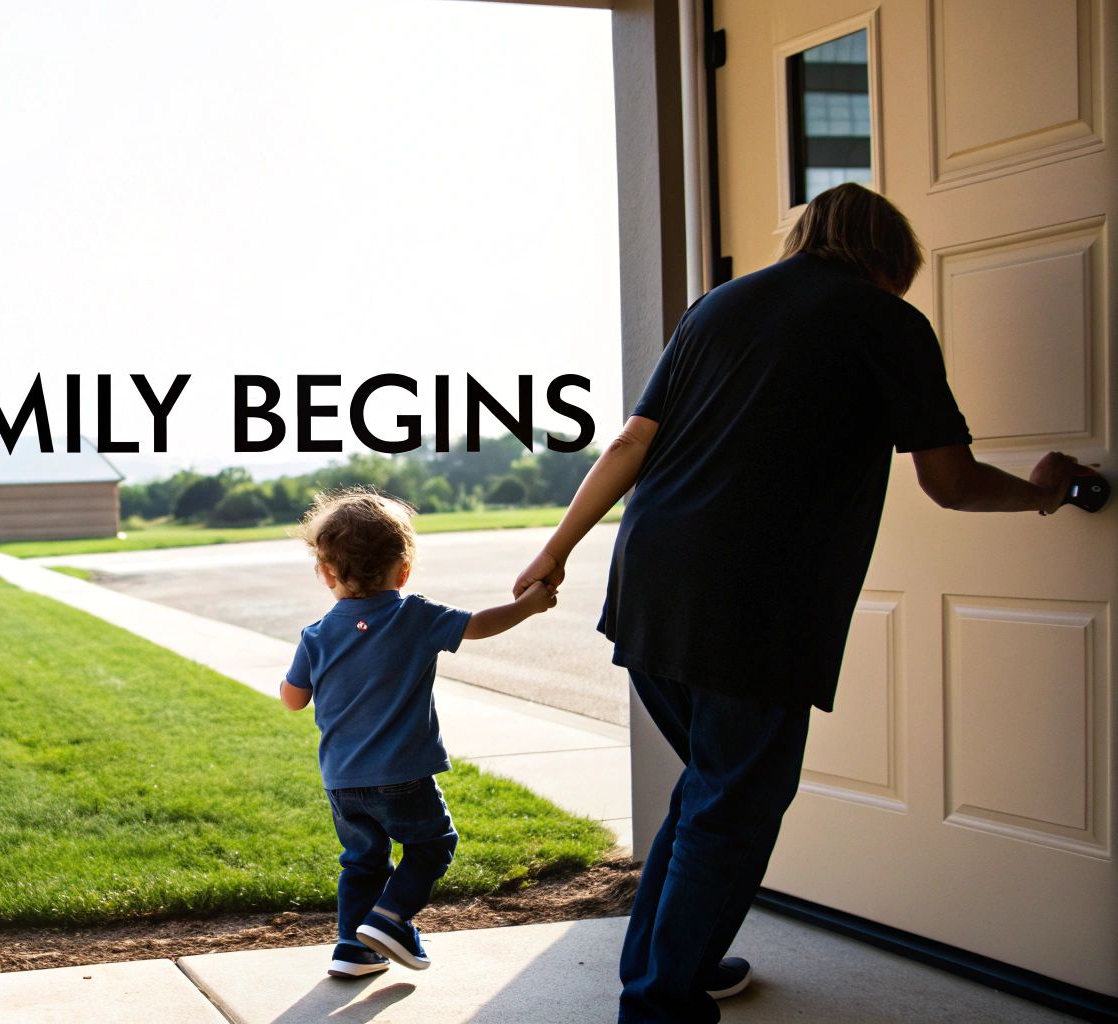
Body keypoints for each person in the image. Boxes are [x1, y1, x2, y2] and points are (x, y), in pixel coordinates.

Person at [515, 182, 1096, 1024]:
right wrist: (1045, 493)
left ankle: (676, 965)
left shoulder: (716, 307)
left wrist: (555, 547)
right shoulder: (886, 321)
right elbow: (952, 482)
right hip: (753, 598)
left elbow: (631, 441)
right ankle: (659, 1005)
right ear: (888, 259)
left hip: (650, 580)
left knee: (713, 786)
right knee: (733, 806)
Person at [280, 488, 556, 978]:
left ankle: (352, 947)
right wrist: (529, 607)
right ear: (403, 571)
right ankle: (390, 918)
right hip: (402, 774)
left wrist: (300, 676)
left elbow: (293, 698)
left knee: (362, 862)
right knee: (432, 844)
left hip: (342, 781)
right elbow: (478, 625)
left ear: (325, 573)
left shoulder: (316, 635)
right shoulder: (414, 615)